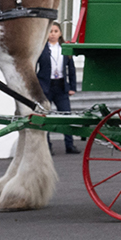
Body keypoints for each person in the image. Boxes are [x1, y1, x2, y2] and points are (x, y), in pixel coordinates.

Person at [35, 21, 77, 155]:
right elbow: (34, 67)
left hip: (61, 86)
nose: (52, 34)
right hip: (46, 86)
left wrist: (72, 87)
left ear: (60, 33)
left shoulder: (64, 48)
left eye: (55, 31)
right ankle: (47, 146)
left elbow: (71, 69)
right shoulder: (41, 48)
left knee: (66, 115)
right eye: (50, 31)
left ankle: (69, 145)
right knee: (45, 117)